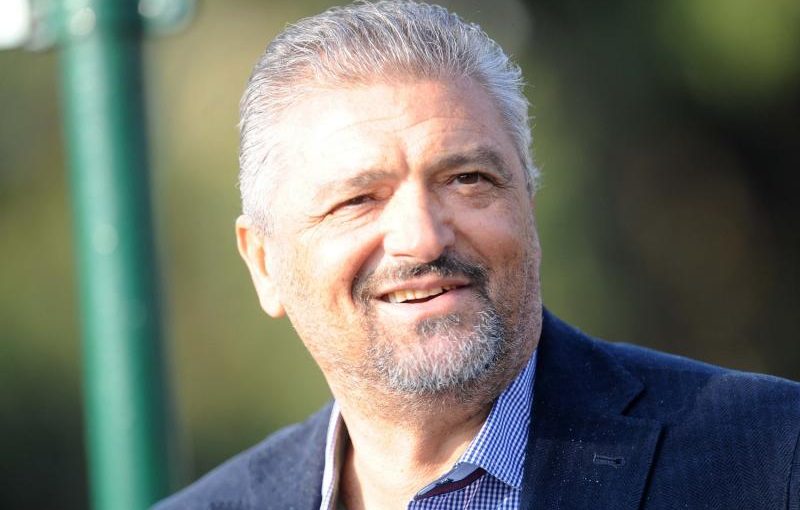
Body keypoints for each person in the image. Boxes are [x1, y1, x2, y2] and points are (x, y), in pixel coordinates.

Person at [154, 2, 800, 509]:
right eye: (359, 199)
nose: (424, 238)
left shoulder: (774, 458)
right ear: (264, 264)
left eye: (467, 180)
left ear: (527, 205)